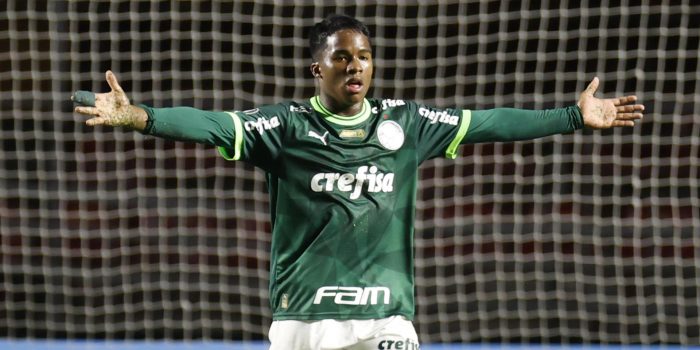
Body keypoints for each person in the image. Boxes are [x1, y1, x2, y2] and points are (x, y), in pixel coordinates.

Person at [73, 14, 643, 350]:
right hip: (304, 321)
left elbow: (488, 122)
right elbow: (212, 125)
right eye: (342, 58)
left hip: (386, 316)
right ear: (316, 68)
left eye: (364, 56)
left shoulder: (405, 123)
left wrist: (572, 116)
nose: (356, 67)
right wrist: (141, 117)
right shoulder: (286, 127)